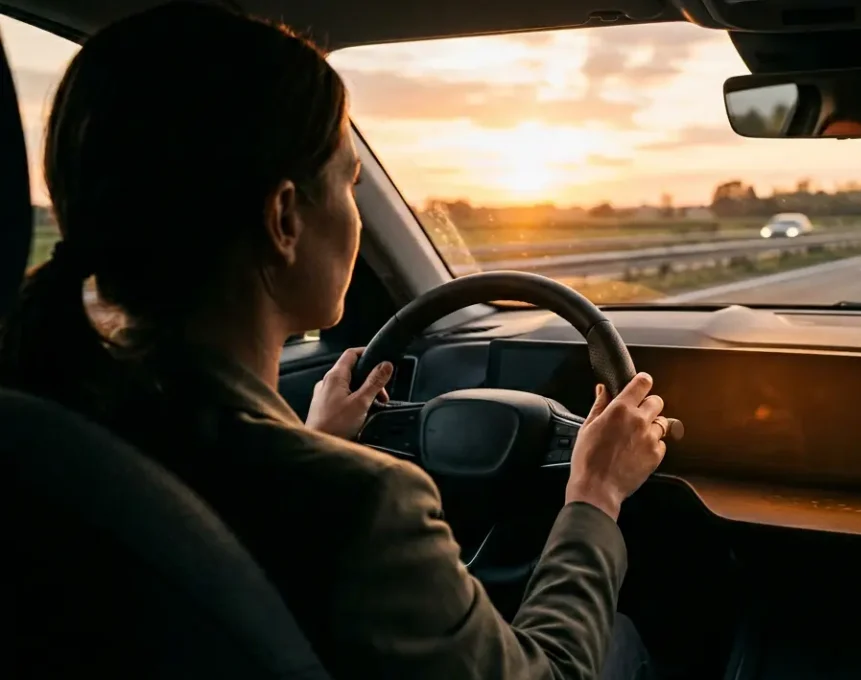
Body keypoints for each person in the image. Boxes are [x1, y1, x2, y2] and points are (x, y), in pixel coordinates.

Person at [0, 4, 665, 679]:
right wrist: (595, 493)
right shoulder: (358, 506)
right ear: (284, 218)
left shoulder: (46, 421)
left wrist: (313, 438)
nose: (354, 214)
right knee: (617, 637)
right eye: (350, 182)